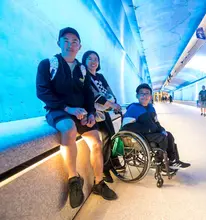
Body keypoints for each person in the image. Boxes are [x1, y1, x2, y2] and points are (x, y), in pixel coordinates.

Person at [36, 27, 117, 209]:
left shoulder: (82, 70)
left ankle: (98, 182)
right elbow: (42, 92)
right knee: (68, 129)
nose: (70, 45)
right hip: (58, 110)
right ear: (59, 43)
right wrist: (68, 108)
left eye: (74, 42)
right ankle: (74, 179)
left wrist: (90, 113)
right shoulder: (48, 64)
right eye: (66, 40)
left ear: (79, 46)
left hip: (80, 112)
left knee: (96, 141)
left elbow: (88, 94)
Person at [121, 83, 190, 170]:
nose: (144, 96)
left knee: (168, 135)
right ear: (137, 96)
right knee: (162, 138)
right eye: (141, 93)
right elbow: (127, 126)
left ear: (150, 96)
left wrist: (161, 129)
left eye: (147, 93)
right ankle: (159, 161)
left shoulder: (151, 108)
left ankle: (173, 160)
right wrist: (148, 129)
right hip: (140, 136)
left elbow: (156, 122)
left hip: (151, 133)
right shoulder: (133, 108)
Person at [82, 50, 123, 183]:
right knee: (104, 139)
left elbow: (109, 90)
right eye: (90, 59)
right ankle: (104, 168)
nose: (93, 62)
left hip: (104, 113)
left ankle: (111, 162)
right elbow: (95, 95)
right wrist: (111, 104)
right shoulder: (84, 75)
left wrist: (115, 103)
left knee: (111, 136)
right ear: (84, 60)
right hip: (94, 113)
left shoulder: (100, 76)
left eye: (96, 59)